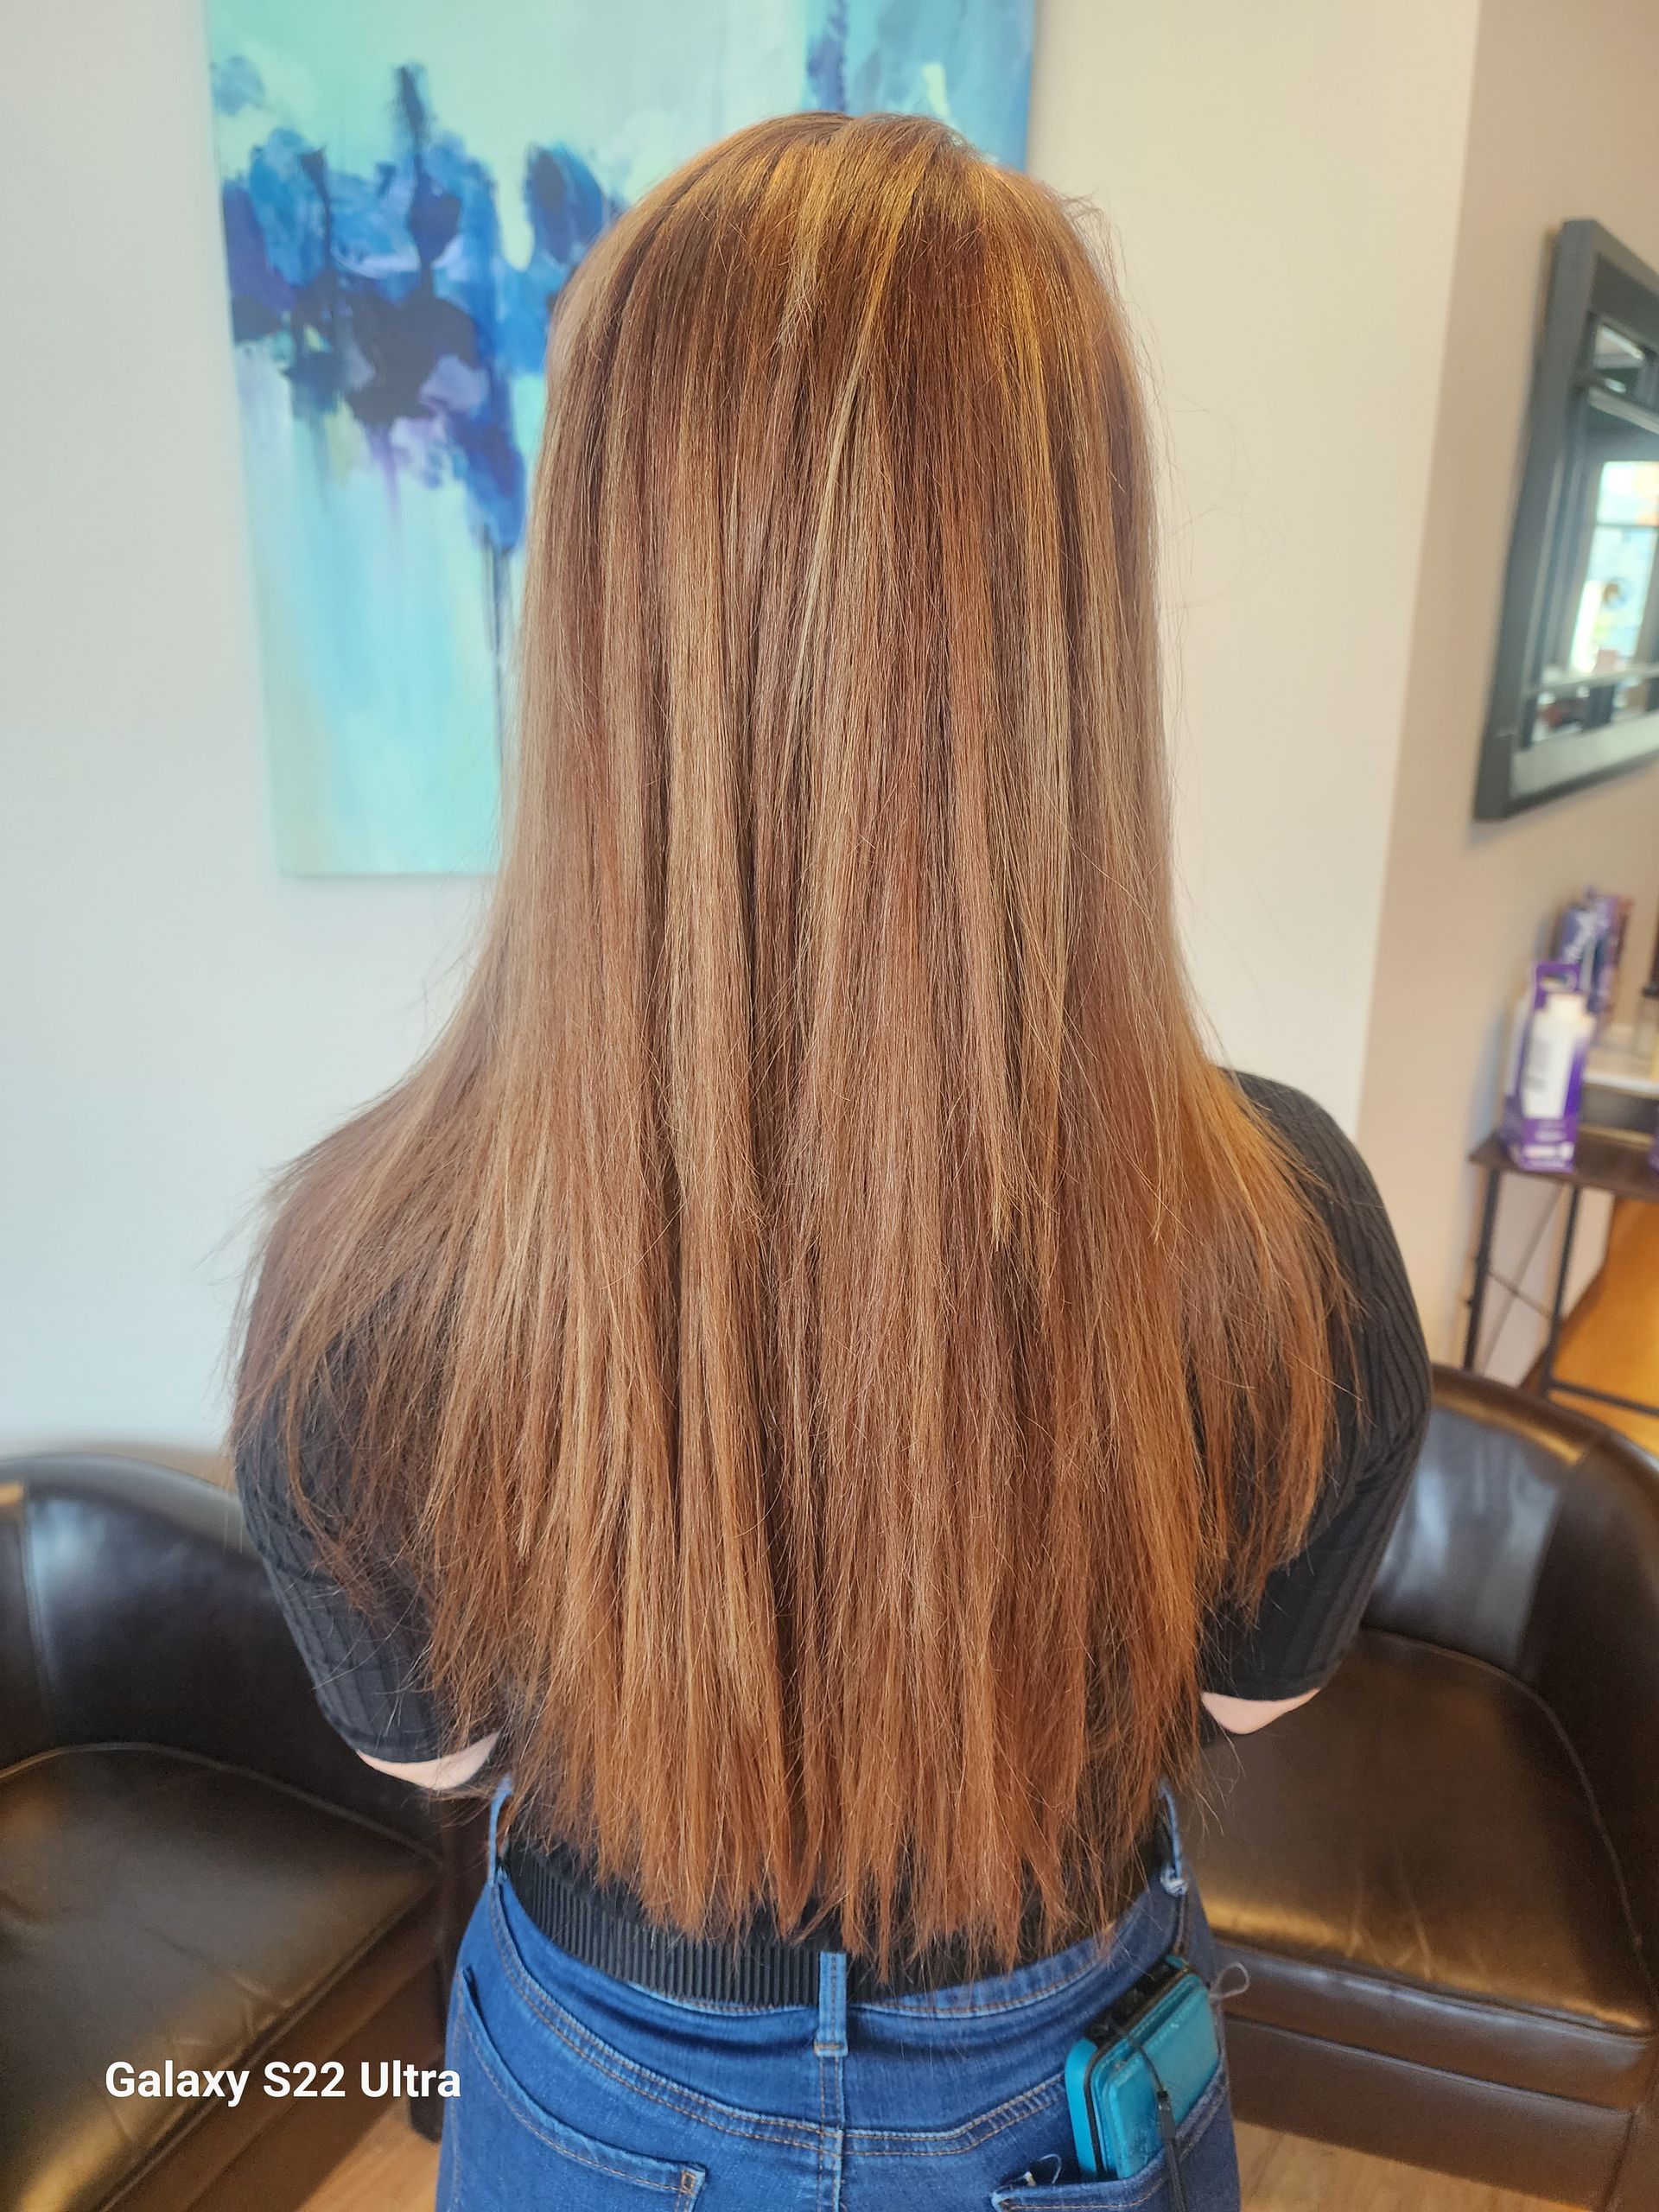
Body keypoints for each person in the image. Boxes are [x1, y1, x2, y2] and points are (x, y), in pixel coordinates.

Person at [233, 110, 1430, 2212]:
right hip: (1067, 2078)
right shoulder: (1283, 1242)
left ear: (599, 607)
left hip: (595, 2089)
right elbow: (1245, 1699)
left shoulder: (369, 1272)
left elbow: (437, 1756)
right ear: (1073, 623)